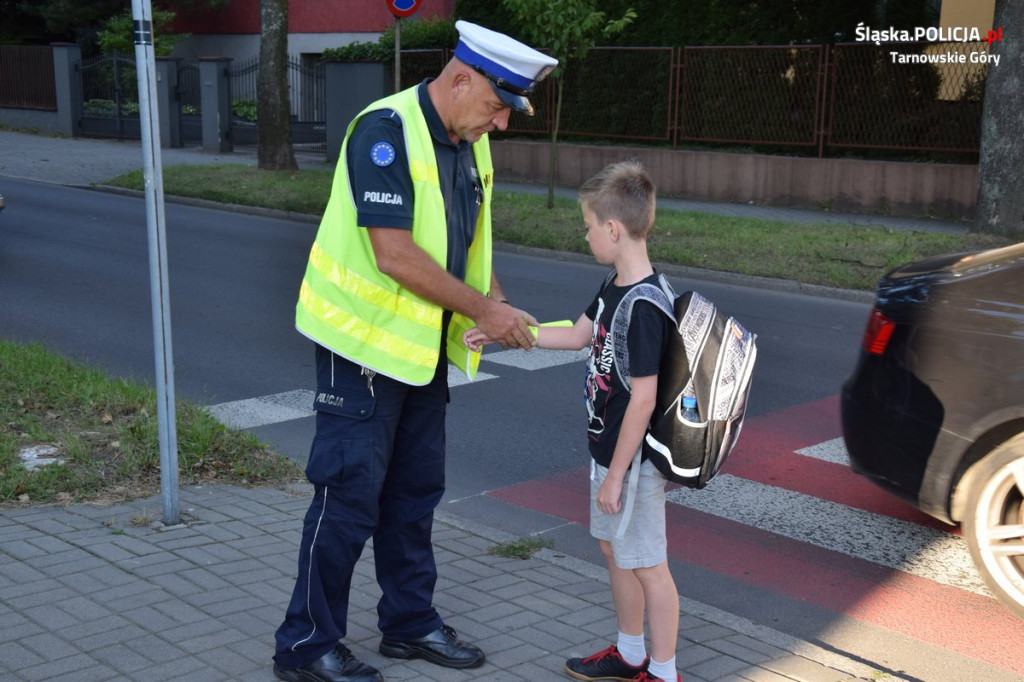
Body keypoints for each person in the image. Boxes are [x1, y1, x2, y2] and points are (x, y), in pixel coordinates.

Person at [272, 20, 557, 682]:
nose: (501, 125)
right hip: (363, 348)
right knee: (348, 496)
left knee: (414, 491)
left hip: (420, 349)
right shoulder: (384, 131)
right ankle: (306, 644)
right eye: (496, 107)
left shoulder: (468, 140)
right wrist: (483, 309)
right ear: (461, 79)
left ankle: (408, 622)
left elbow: (470, 242)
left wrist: (495, 302)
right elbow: (393, 253)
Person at [467, 161, 682, 682]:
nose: (584, 235)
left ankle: (666, 671)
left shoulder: (646, 306)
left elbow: (645, 399)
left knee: (649, 565)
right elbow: (577, 335)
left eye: (587, 226)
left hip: (631, 463)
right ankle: (631, 653)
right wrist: (509, 331)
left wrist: (615, 475)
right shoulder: (613, 284)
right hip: (608, 453)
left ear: (613, 229)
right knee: (615, 551)